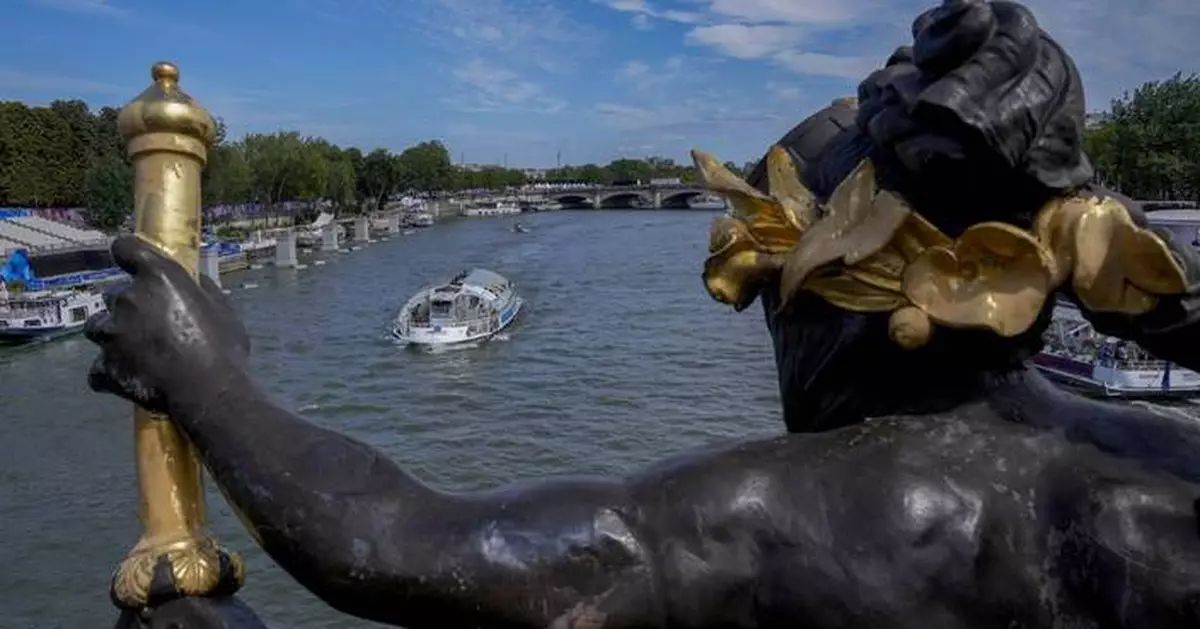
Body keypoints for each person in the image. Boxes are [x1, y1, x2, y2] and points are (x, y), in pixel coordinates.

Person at [85, 2, 1200, 628]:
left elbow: (401, 545)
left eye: (767, 275)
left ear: (854, 274)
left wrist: (208, 377)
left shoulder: (843, 500)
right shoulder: (1149, 467)